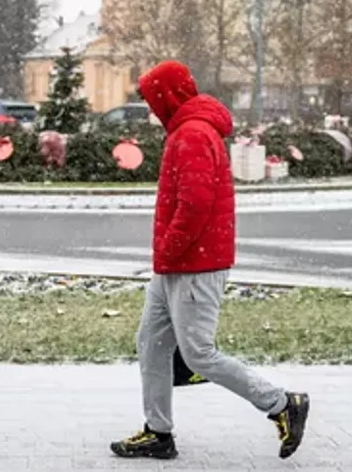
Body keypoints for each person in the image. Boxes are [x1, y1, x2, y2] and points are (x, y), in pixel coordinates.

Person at [110, 60, 309, 461]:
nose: (150, 110)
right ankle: (158, 433)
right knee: (151, 343)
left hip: (195, 264)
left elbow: (195, 205)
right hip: (178, 265)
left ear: (168, 96)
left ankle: (282, 404)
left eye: (152, 99)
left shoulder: (193, 135)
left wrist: (167, 249)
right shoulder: (186, 131)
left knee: (199, 353)